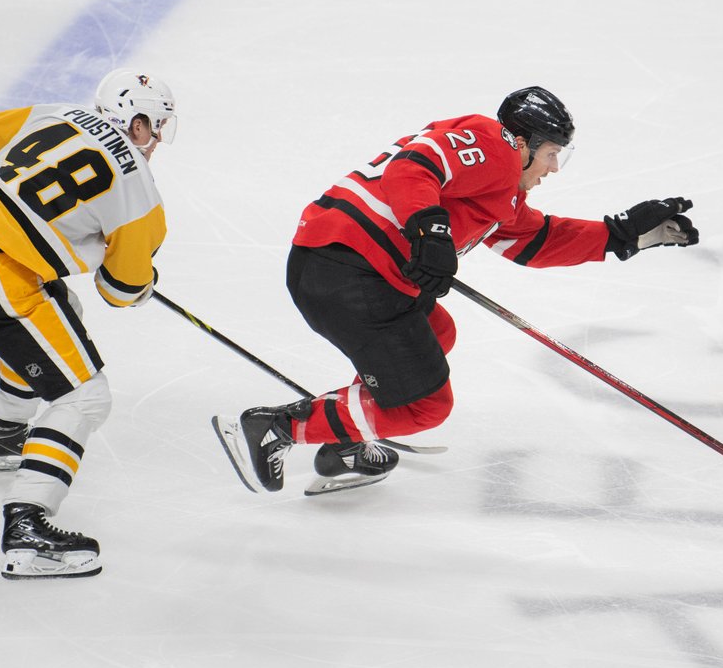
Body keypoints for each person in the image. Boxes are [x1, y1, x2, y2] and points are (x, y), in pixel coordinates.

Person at [213, 85, 698, 494]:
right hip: (347, 271)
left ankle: (344, 439)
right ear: (526, 141)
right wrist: (430, 229)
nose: (552, 167)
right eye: (552, 154)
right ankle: (275, 428)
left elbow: (533, 240)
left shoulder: (501, 188)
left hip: (351, 269)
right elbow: (414, 166)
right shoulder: (495, 144)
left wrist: (622, 235)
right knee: (424, 405)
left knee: (437, 333)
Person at [0, 69, 178, 579]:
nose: (157, 144)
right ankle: (27, 526)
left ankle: (4, 439)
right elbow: (120, 291)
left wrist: (4, 208)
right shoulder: (142, 193)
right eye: (158, 128)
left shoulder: (55, 114)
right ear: (139, 121)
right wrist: (142, 278)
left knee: (64, 315)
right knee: (85, 396)